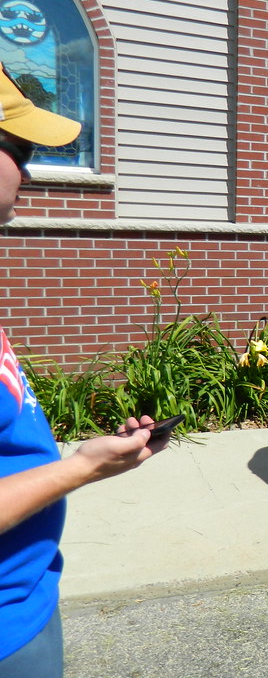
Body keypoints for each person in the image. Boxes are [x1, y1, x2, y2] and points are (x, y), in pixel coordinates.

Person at [0, 61, 171, 677]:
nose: (27, 170)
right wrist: (79, 468)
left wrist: (86, 459)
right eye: (16, 148)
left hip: (28, 599)